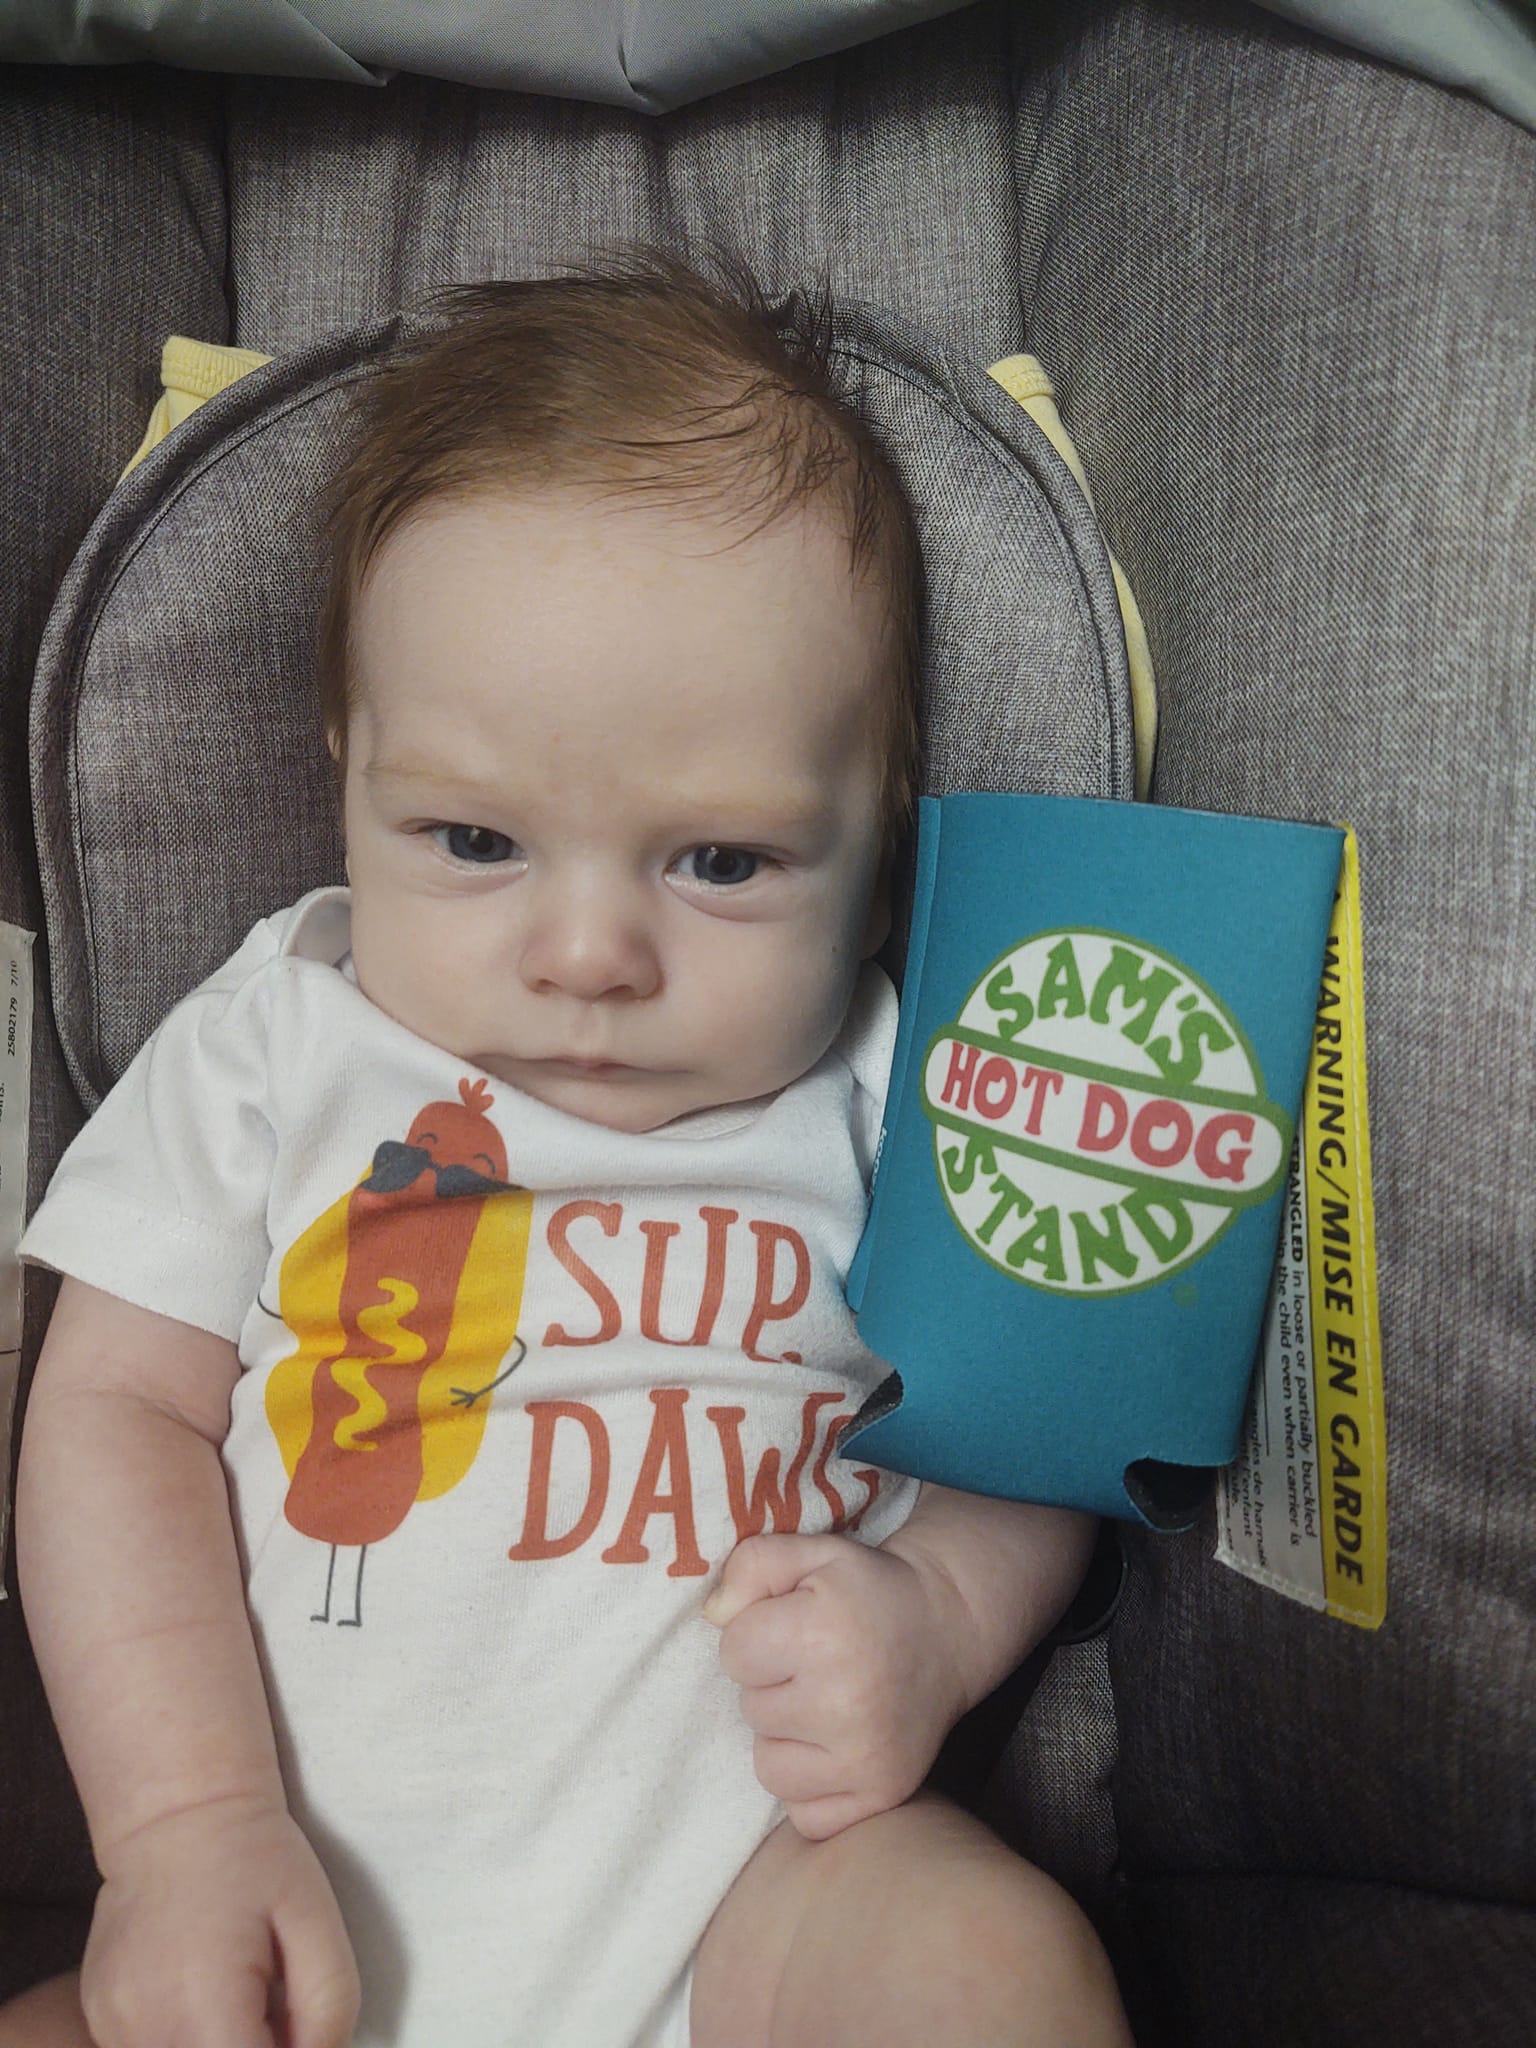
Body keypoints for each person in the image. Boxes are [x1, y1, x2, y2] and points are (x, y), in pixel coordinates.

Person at [0, 258, 1133, 2048]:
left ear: (880, 844)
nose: (589, 954)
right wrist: (181, 1825)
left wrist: (932, 1616)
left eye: (722, 862)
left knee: (993, 1970)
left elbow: (1039, 1428)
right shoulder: (280, 1039)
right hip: (283, 1908)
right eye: (473, 840)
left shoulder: (898, 1086)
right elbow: (116, 1410)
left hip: (755, 1914)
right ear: (345, 775)